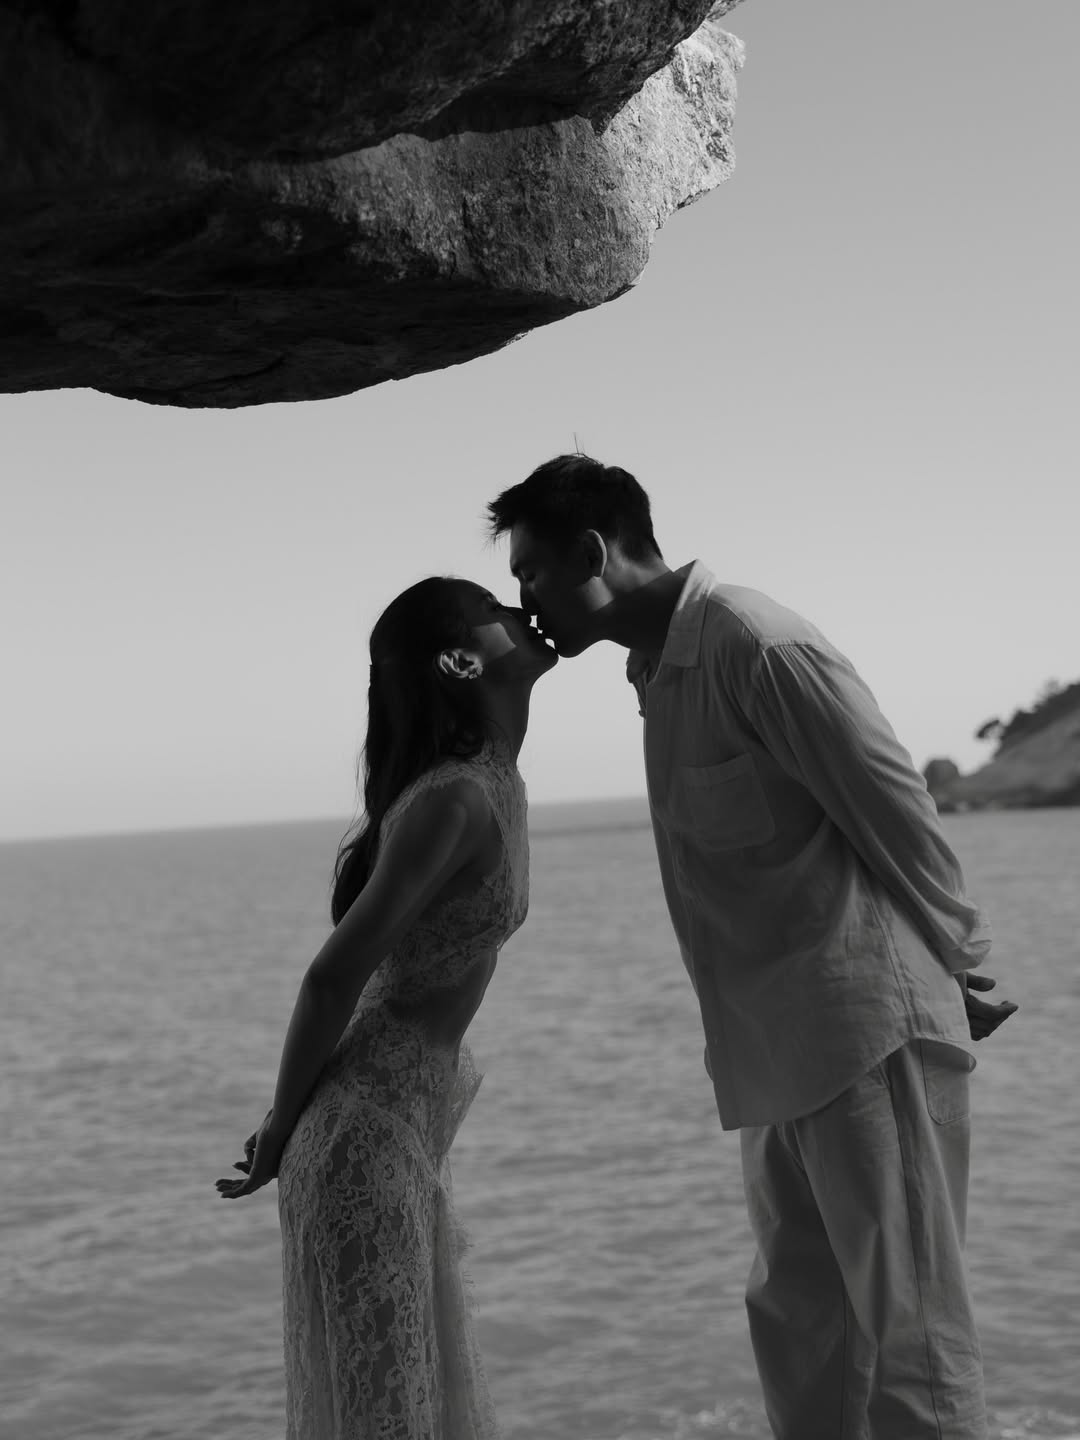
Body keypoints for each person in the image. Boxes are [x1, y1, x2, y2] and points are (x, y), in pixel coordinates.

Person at [486, 454, 1018, 1440]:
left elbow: (895, 808)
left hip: (866, 1032)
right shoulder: (657, 672)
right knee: (800, 1337)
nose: (524, 601)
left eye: (530, 572)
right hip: (773, 1052)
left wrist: (958, 959)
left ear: (593, 552)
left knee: (912, 1346)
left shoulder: (757, 645)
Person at [215, 574, 558, 1440]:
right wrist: (279, 1130)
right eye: (496, 610)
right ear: (460, 661)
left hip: (398, 1136)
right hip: (362, 1144)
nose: (521, 611)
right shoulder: (455, 800)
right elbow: (332, 978)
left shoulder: (488, 782)